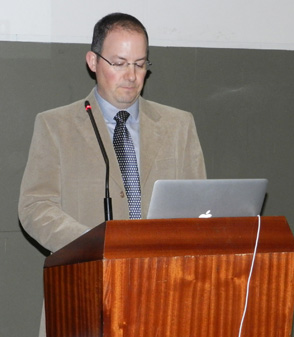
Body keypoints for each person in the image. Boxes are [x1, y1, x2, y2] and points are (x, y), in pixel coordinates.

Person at [19, 13, 206, 259]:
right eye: (119, 63)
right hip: (87, 277)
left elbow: (201, 207)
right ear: (93, 61)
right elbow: (35, 207)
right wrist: (93, 244)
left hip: (162, 282)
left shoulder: (179, 125)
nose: (131, 76)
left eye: (139, 64)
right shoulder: (55, 126)